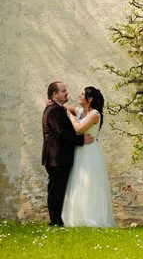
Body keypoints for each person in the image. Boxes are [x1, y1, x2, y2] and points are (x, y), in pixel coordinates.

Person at [60, 86, 117, 227]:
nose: (79, 96)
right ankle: (77, 217)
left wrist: (70, 116)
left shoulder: (95, 115)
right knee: (78, 181)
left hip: (90, 152)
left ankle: (91, 217)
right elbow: (66, 106)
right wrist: (54, 102)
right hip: (80, 150)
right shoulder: (80, 111)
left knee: (90, 183)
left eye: (82, 94)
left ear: (89, 99)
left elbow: (79, 128)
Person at [42, 81, 95, 226]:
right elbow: (61, 133)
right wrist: (81, 139)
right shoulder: (53, 110)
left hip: (60, 157)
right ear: (55, 94)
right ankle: (55, 222)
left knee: (59, 189)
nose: (67, 93)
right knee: (56, 190)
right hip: (56, 157)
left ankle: (59, 220)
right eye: (64, 91)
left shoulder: (58, 108)